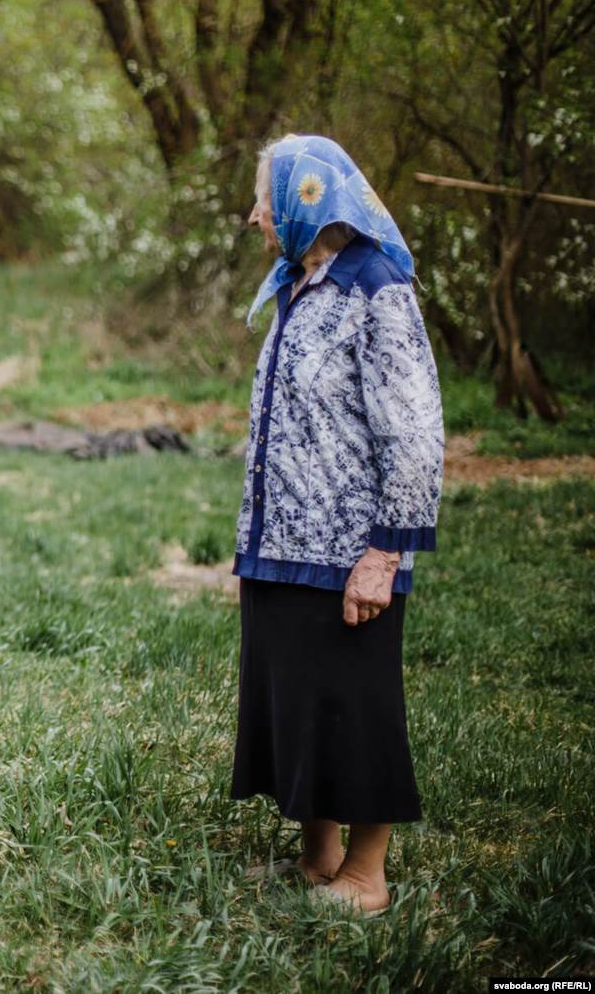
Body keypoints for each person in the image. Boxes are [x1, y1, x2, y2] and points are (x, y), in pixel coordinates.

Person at [230, 134, 445, 914]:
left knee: (355, 703)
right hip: (282, 542)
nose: (255, 213)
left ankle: (366, 874)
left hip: (351, 545)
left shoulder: (375, 284)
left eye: (265, 197)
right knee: (297, 693)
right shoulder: (300, 281)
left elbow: (414, 429)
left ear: (304, 200)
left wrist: (385, 551)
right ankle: (318, 858)